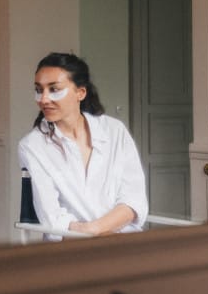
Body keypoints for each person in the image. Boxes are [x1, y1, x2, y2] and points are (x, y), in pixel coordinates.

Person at [18, 52, 148, 238]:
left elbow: (133, 200)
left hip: (123, 244)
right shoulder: (32, 146)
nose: (43, 99)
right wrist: (93, 234)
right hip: (71, 248)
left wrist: (94, 230)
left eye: (54, 89)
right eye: (39, 90)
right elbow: (52, 218)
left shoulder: (115, 131)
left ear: (81, 92)